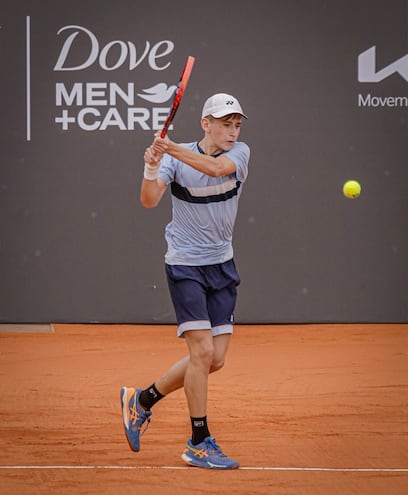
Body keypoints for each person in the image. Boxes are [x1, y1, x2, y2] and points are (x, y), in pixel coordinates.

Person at [120, 93, 250, 470]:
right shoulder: (177, 161)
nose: (232, 131)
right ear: (205, 123)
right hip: (185, 265)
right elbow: (149, 200)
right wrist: (151, 167)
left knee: (215, 359)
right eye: (225, 123)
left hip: (222, 265)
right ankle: (198, 441)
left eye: (237, 124)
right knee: (202, 353)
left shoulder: (240, 154)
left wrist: (169, 147)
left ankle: (141, 401)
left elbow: (213, 170)